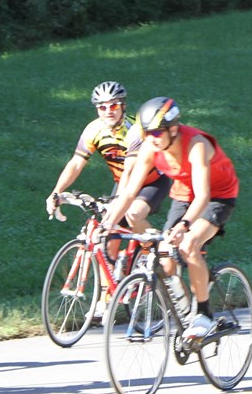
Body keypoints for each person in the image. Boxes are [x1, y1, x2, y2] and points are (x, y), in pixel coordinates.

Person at [100, 96, 239, 341]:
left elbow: (204, 195)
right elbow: (130, 191)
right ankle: (186, 316)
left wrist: (184, 225)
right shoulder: (150, 147)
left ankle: (204, 315)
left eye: (157, 132)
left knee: (188, 245)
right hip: (184, 195)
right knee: (165, 259)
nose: (152, 138)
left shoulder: (196, 145)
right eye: (147, 133)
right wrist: (109, 223)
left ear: (173, 128)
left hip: (218, 196)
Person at [46, 81, 171, 320]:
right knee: (106, 238)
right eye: (102, 107)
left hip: (151, 181)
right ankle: (106, 299)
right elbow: (76, 163)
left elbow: (131, 170)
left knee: (132, 214)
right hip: (122, 182)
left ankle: (153, 248)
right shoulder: (94, 130)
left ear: (123, 106)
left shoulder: (135, 130)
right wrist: (56, 191)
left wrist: (116, 205)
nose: (108, 111)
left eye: (113, 105)